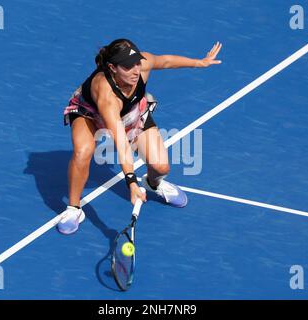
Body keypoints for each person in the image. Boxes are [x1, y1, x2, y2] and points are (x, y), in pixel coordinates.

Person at [58, 39, 222, 234]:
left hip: (131, 113)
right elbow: (121, 142)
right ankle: (73, 208)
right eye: (128, 66)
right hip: (90, 113)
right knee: (82, 152)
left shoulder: (141, 67)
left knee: (161, 167)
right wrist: (131, 183)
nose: (136, 70)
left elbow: (166, 61)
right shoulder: (106, 95)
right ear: (112, 68)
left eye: (136, 62)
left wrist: (200, 62)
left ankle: (153, 184)